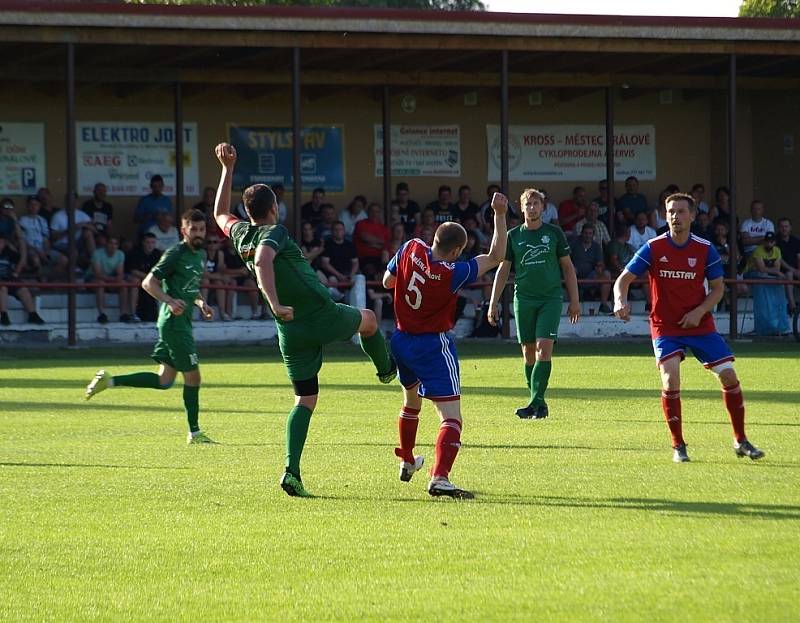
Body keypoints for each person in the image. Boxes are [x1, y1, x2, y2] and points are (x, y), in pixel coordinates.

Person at [212, 142, 396, 498]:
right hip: (318, 315)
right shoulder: (273, 233)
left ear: (248, 210)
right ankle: (387, 370)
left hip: (290, 332)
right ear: (274, 208)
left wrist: (227, 168)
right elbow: (265, 261)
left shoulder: (241, 234)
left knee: (305, 399)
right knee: (370, 320)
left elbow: (220, 213)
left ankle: (291, 471)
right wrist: (276, 301)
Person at [612, 192, 765, 463]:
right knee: (670, 379)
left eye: (681, 211)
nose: (675, 216)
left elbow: (718, 290)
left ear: (692, 215)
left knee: (729, 376)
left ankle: (740, 440)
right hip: (666, 326)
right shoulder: (654, 247)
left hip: (700, 325)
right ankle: (678, 445)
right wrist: (619, 300)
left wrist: (699, 312)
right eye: (671, 211)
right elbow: (623, 279)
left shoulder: (705, 249)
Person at [383, 192, 509, 500]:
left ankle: (408, 459)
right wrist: (500, 214)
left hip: (400, 340)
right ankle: (439, 477)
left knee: (411, 402)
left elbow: (388, 281)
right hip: (432, 346)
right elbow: (495, 256)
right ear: (455, 251)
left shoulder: (411, 247)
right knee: (451, 417)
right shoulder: (450, 272)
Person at [85, 209, 216, 444]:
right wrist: (168, 300)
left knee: (164, 381)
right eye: (193, 229)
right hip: (174, 324)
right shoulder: (175, 253)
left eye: (202, 229)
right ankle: (195, 433)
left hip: (181, 322)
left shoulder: (200, 255)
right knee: (193, 378)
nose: (198, 233)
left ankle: (110, 380)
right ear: (183, 230)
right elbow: (148, 283)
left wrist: (200, 302)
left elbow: (190, 286)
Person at [488, 188, 581, 420]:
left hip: (550, 299)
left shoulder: (554, 233)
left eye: (536, 204)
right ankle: (538, 403)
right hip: (524, 299)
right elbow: (503, 270)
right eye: (527, 204)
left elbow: (568, 267)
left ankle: (534, 403)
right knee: (528, 353)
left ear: (543, 207)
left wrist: (575, 300)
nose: (532, 208)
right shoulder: (513, 235)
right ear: (521, 208)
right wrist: (493, 303)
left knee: (543, 348)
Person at [0, 233, 45, 326]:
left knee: (22, 289)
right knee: (3, 288)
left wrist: (22, 245)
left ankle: (32, 314)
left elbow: (21, 261)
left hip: (8, 278)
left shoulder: (8, 252)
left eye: (2, 242)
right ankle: (3, 315)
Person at [88, 234, 132, 323]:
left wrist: (115, 280)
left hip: (110, 280)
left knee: (123, 284)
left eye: (115, 244)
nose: (113, 246)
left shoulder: (120, 254)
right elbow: (97, 274)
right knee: (100, 283)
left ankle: (123, 313)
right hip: (92, 279)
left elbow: (120, 273)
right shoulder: (97, 253)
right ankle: (101, 314)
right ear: (106, 244)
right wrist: (112, 280)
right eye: (110, 243)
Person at [569, 224, 612, 313]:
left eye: (590, 233)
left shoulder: (596, 246)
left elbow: (600, 262)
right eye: (585, 233)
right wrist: (571, 267)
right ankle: (573, 304)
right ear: (581, 233)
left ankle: (603, 305)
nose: (588, 235)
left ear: (593, 235)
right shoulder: (574, 243)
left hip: (591, 275)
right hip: (574, 275)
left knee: (607, 274)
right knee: (570, 271)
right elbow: (565, 258)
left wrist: (600, 267)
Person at [125, 232, 161, 322]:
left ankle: (162, 314)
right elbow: (133, 271)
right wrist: (149, 278)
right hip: (137, 278)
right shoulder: (135, 252)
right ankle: (132, 313)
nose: (150, 245)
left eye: (153, 242)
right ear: (143, 243)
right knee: (135, 281)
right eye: (148, 242)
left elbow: (161, 271)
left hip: (151, 280)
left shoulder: (157, 254)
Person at [200, 234, 232, 321]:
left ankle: (222, 313)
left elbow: (220, 271)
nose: (212, 244)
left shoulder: (220, 254)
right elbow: (203, 274)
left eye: (215, 242)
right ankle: (204, 312)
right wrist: (219, 277)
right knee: (205, 281)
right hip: (201, 280)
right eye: (209, 242)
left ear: (218, 244)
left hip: (214, 279)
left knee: (219, 283)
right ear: (206, 244)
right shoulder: (203, 253)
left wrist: (219, 277)